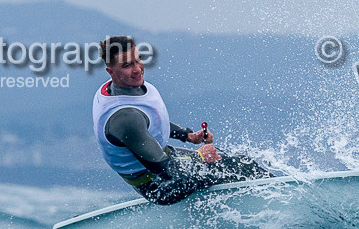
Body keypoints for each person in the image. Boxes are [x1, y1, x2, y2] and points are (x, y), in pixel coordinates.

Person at [92, 35, 271, 204]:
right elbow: (165, 170)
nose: (138, 69)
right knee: (227, 173)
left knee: (239, 163)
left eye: (138, 59)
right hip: (158, 184)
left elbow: (151, 122)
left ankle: (278, 189)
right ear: (111, 71)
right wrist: (200, 157)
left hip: (168, 157)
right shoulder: (124, 118)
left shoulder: (126, 88)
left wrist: (188, 136)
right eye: (127, 65)